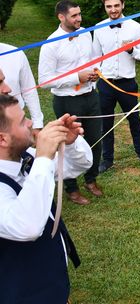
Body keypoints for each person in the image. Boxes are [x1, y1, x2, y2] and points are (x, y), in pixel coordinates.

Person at [0, 93, 93, 303]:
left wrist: (69, 144)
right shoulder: (35, 159)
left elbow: (76, 166)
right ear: (2, 139)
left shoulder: (26, 158)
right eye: (23, 121)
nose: (31, 122)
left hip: (50, 280)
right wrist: (43, 157)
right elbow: (27, 226)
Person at [38, 0, 103, 205]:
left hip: (91, 96)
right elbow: (44, 80)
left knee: (95, 140)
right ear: (61, 17)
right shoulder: (51, 44)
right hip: (67, 102)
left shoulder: (85, 33)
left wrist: (94, 73)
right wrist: (77, 77)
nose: (79, 19)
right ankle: (71, 188)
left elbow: (93, 59)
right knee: (70, 145)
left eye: (79, 14)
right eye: (74, 15)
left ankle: (91, 180)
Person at [92, 0, 140, 173]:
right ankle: (107, 158)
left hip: (127, 83)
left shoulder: (135, 26)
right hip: (106, 84)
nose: (113, 10)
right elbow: (95, 56)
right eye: (109, 6)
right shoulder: (99, 28)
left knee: (134, 119)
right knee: (106, 122)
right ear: (105, 7)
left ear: (123, 5)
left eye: (116, 5)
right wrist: (96, 71)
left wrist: (131, 51)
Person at [0, 41, 44, 134]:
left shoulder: (15, 53)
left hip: (16, 122)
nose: (8, 89)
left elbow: (29, 89)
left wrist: (37, 124)